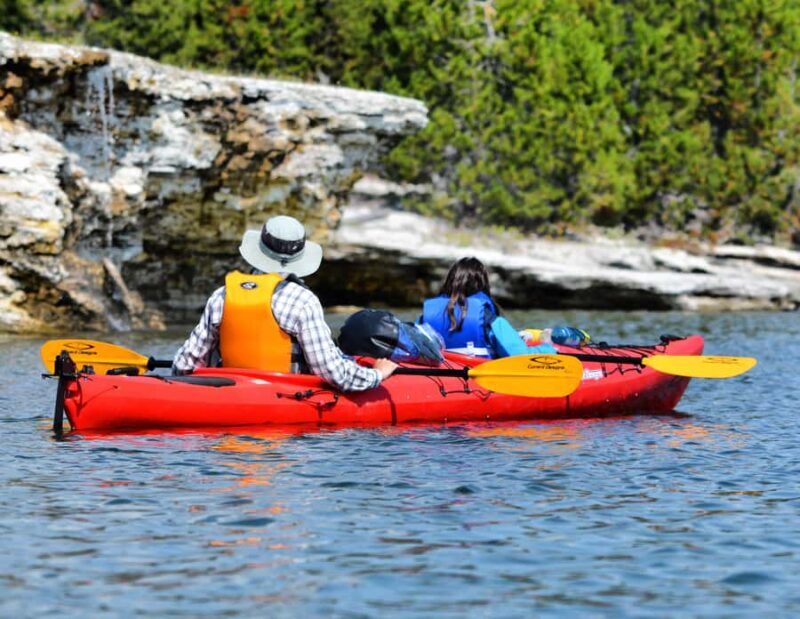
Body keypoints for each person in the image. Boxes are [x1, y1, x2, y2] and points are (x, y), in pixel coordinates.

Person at [173, 215, 397, 391]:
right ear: (300, 255)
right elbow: (332, 373)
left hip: (228, 394)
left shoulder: (222, 296)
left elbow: (183, 366)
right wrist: (376, 375)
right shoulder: (302, 301)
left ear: (259, 248)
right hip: (284, 397)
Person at [419, 257, 557, 358]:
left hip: (440, 377)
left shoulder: (426, 317)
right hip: (476, 379)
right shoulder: (488, 318)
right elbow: (521, 355)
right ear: (483, 285)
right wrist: (548, 346)